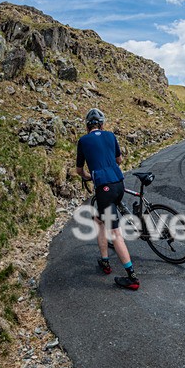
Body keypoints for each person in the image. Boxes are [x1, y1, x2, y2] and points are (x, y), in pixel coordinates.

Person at [75, 108, 139, 290]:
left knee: (115, 233)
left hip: (104, 189)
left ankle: (132, 277)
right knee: (99, 220)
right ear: (102, 125)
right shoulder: (110, 135)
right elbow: (119, 160)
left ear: (87, 127)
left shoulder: (83, 141)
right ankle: (105, 260)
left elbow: (79, 170)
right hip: (119, 183)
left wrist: (89, 176)